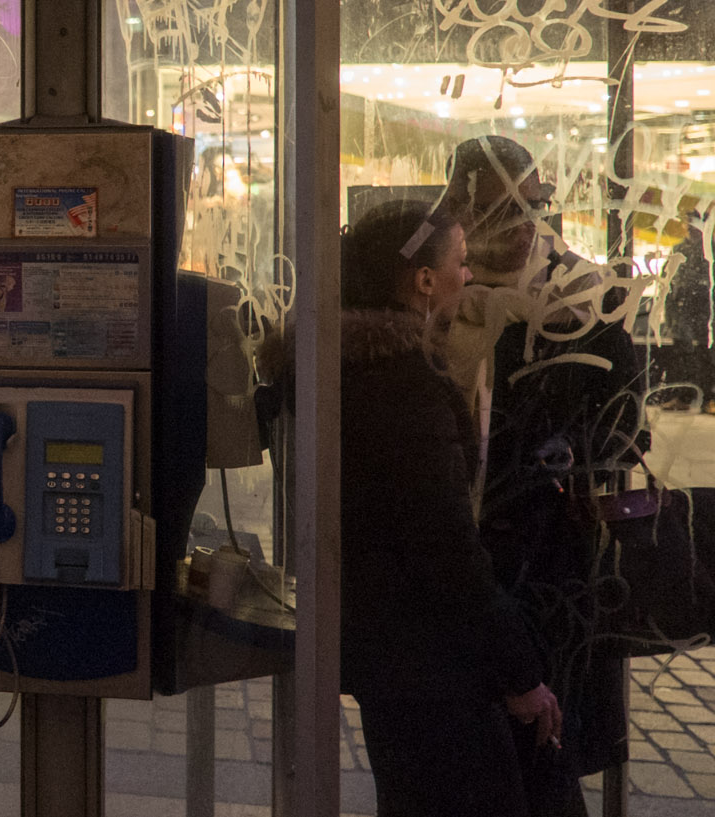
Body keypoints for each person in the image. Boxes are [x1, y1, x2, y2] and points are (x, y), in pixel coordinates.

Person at [260, 200, 559, 817]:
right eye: (460, 261)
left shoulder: (342, 372)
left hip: (387, 655)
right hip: (431, 665)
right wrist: (519, 672)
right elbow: (444, 543)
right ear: (424, 280)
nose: (468, 275)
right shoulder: (402, 386)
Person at [441, 134, 647, 816]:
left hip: (547, 562)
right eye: (501, 208)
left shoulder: (578, 298)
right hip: (456, 566)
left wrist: (570, 455)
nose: (523, 223)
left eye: (534, 205)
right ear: (461, 213)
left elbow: (628, 421)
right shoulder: (436, 297)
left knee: (542, 759)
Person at [660, 215, 715, 415]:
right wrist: (671, 307)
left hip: (705, 312)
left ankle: (708, 399)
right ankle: (682, 397)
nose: (690, 229)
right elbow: (666, 279)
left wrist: (712, 301)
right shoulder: (679, 250)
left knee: (707, 355)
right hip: (682, 310)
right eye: (688, 225)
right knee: (681, 354)